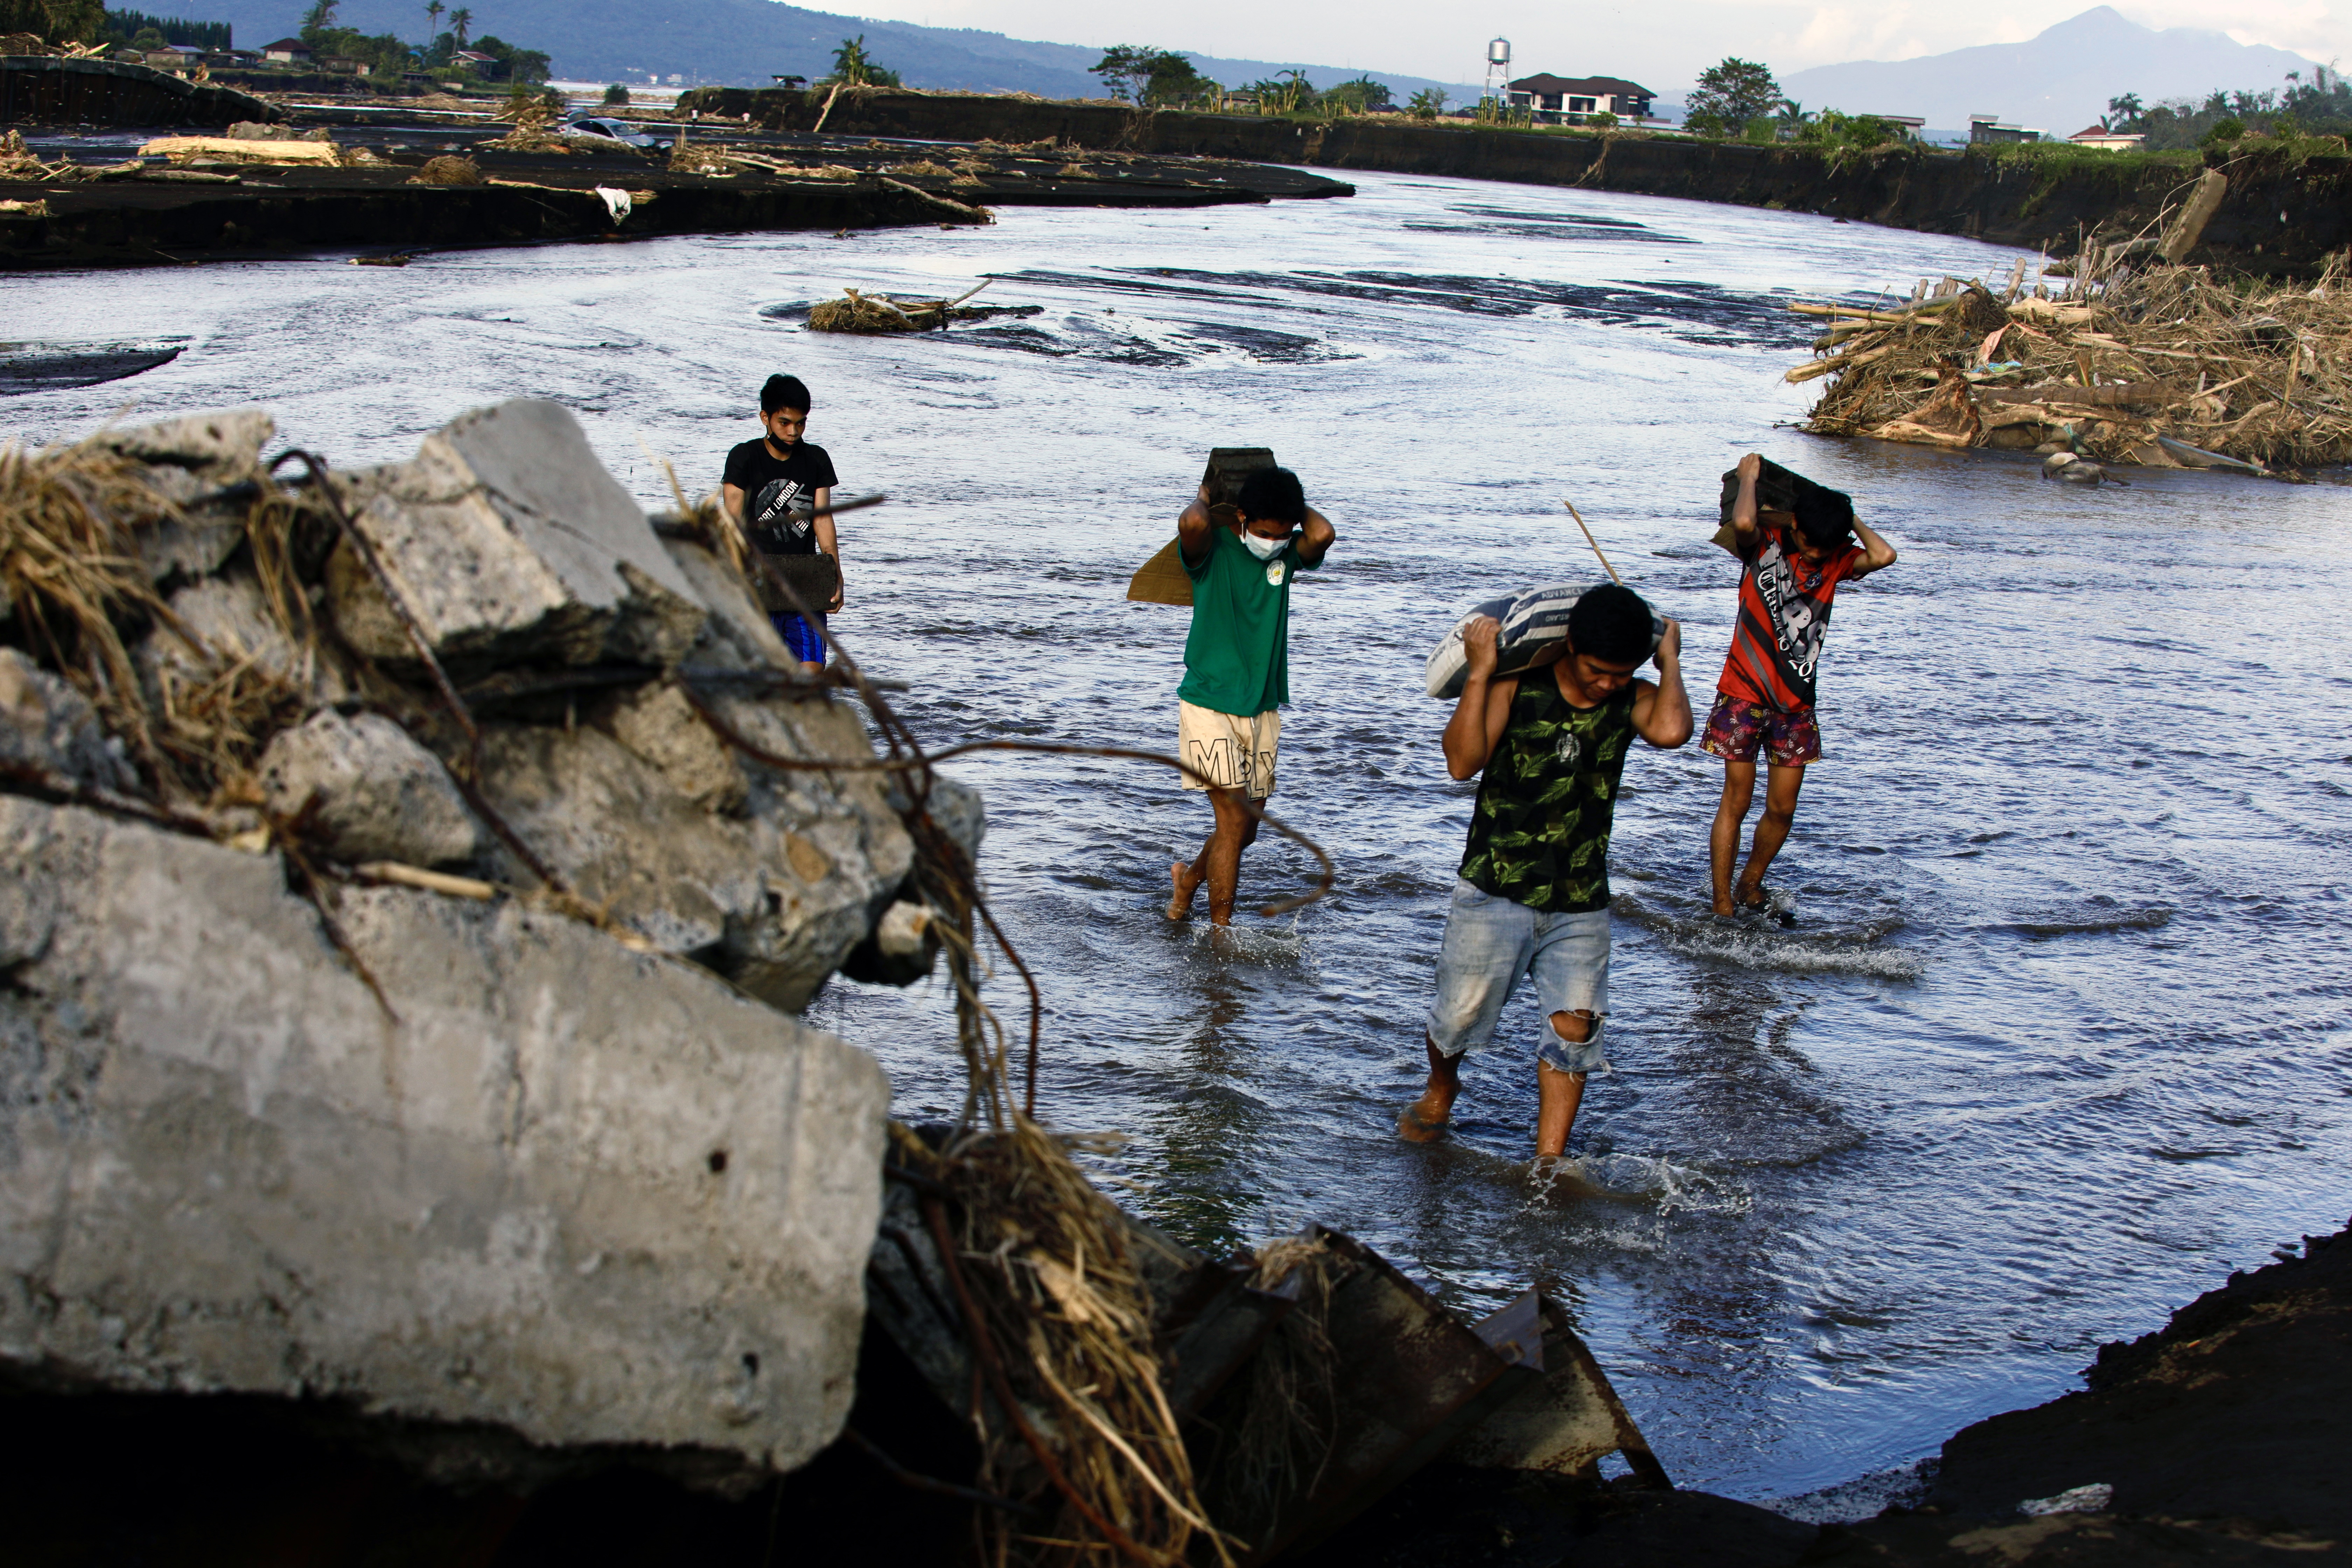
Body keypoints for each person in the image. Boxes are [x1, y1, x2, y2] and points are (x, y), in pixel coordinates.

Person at [1399, 583, 1692, 1160]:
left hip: (1580, 897)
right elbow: (1461, 763)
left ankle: (1549, 1159)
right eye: (1598, 669)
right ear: (1570, 646)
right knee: (1456, 1018)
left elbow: (1673, 731)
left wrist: (1671, 660)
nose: (1608, 681)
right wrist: (1482, 673)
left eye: (1621, 672)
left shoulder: (1632, 697)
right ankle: (1441, 1089)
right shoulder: (1517, 683)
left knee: (1575, 1030)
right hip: (1495, 886)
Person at [1704, 453, 1897, 921]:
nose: (1813, 554)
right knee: (1738, 799)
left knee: (1782, 809)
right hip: (1743, 693)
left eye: (1823, 548)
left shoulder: (1837, 560)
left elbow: (1885, 555)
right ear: (1795, 526)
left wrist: (1844, 514)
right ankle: (1722, 900)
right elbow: (1745, 518)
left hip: (1795, 705)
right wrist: (1750, 477)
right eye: (1809, 543)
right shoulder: (1764, 545)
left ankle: (1752, 881)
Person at [1165, 468, 1335, 927]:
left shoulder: (1286, 558)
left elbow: (1323, 533)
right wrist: (1206, 496)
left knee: (1245, 830)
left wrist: (1290, 506)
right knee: (1235, 819)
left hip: (1262, 707)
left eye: (1282, 535)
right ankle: (1221, 937)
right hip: (1208, 702)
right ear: (1241, 519)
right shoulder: (1213, 551)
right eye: (1263, 532)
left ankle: (1188, 883)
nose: (1272, 542)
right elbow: (1194, 525)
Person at [722, 374, 841, 673]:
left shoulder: (816, 459)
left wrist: (835, 574)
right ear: (766, 418)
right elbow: (731, 523)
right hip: (757, 581)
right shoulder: (744, 458)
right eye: (784, 423)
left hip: (804, 581)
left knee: (812, 674)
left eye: (800, 423)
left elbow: (823, 519)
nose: (793, 432)